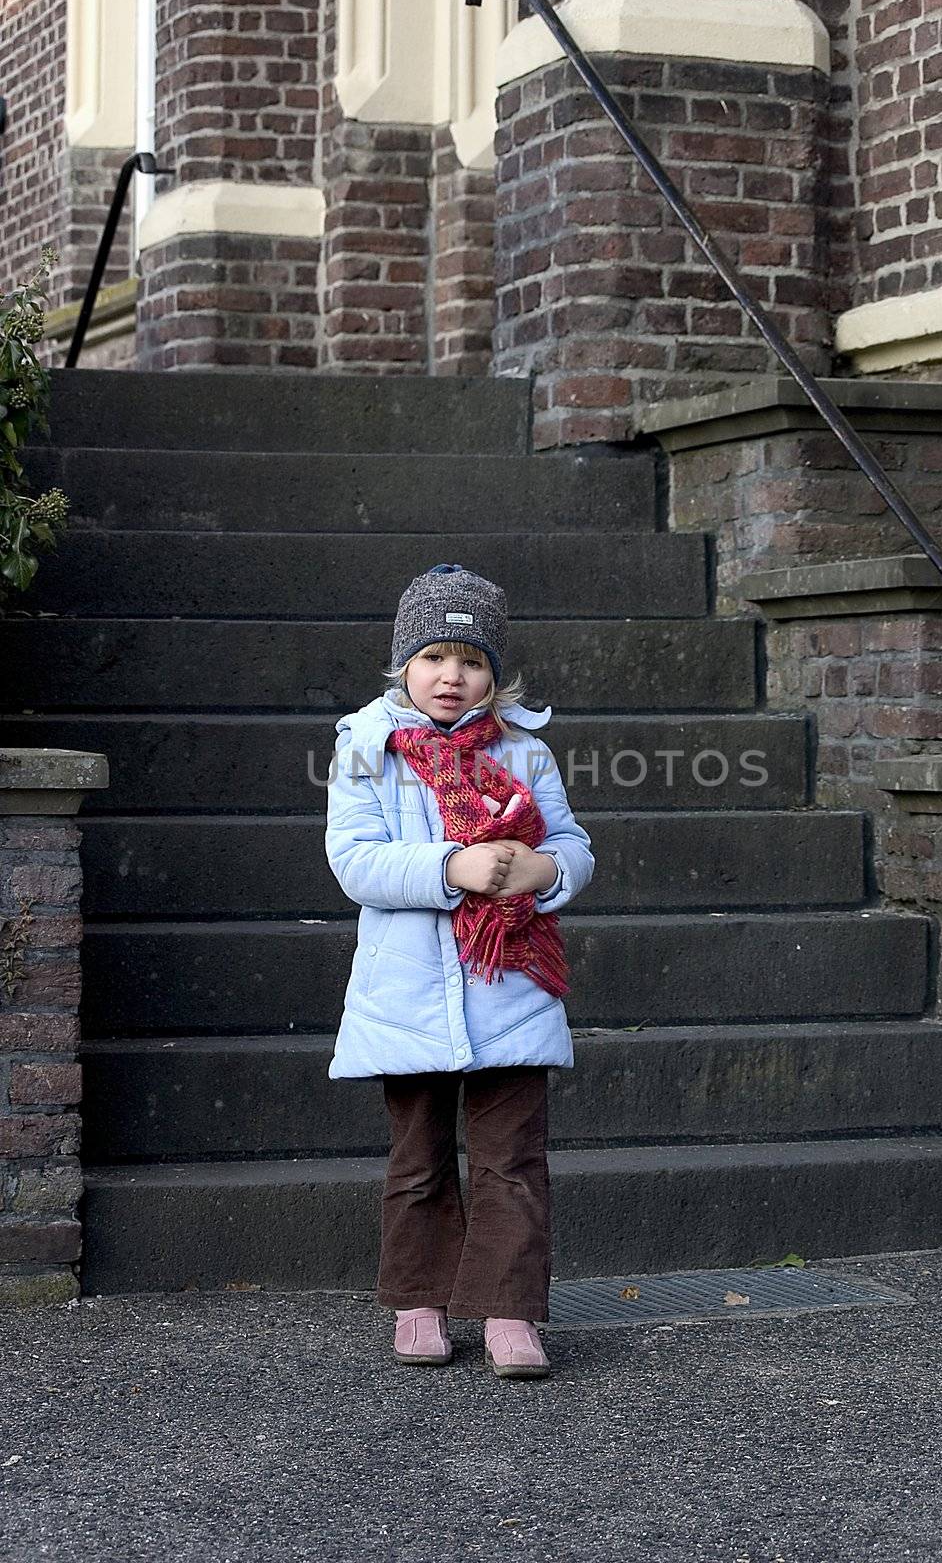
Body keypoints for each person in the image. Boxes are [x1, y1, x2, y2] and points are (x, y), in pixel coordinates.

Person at [324, 563, 595, 1379]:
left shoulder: (524, 754)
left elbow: (571, 844)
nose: (453, 676)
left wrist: (547, 874)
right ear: (403, 664)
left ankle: (511, 1313)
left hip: (510, 987)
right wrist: (454, 867)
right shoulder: (367, 751)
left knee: (513, 1160)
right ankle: (419, 1301)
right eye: (435, 657)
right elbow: (356, 862)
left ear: (495, 675)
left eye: (472, 662)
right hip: (406, 995)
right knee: (417, 1162)